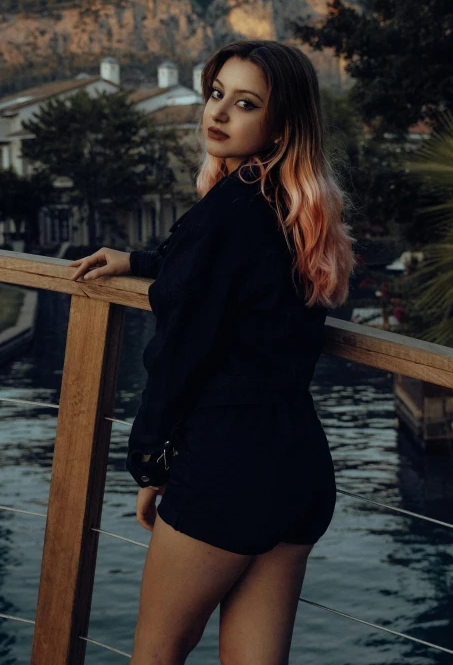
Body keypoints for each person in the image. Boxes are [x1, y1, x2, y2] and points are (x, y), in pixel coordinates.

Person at [68, 39, 355, 665]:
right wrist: (144, 261)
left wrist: (148, 465)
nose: (217, 115)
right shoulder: (298, 210)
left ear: (280, 125)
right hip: (300, 471)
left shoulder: (223, 217)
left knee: (157, 654)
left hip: (228, 471)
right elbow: (236, 282)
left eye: (244, 103)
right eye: (216, 94)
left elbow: (176, 359)